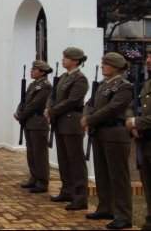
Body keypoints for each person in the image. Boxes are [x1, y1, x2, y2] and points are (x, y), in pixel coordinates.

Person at [81, 52, 133, 229]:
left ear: (116, 67)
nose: (102, 66)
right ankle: (105, 207)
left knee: (118, 177)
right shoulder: (102, 85)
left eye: (105, 63)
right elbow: (89, 103)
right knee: (102, 173)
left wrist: (90, 119)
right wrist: (87, 116)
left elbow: (112, 108)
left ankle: (123, 215)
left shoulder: (124, 87)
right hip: (100, 133)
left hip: (116, 135)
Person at [44, 47, 89, 210]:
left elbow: (72, 100)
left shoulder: (80, 79)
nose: (63, 60)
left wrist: (52, 110)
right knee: (63, 159)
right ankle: (67, 190)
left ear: (75, 61)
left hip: (71, 122)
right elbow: (52, 96)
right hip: (61, 122)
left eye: (66, 58)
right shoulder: (63, 77)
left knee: (75, 161)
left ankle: (80, 196)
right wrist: (49, 108)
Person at [15, 60, 53, 194]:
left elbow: (35, 104)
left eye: (35, 69)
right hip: (30, 122)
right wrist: (19, 111)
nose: (32, 71)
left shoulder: (45, 86)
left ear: (42, 72)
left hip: (38, 122)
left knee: (39, 153)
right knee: (31, 152)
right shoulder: (33, 85)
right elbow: (24, 101)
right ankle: (34, 177)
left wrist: (21, 115)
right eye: (32, 69)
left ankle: (42, 181)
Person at [126, 45, 151, 230]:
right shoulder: (147, 83)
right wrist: (130, 121)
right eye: (148, 57)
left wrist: (136, 122)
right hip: (145, 141)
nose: (148, 61)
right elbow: (133, 105)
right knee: (147, 184)